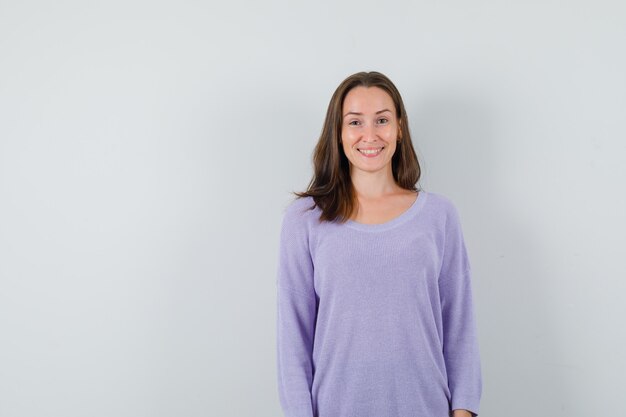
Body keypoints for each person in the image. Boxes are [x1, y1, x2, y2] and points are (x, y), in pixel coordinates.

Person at [275, 71, 482, 417]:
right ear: (338, 134)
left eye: (382, 120)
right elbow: (292, 336)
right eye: (355, 122)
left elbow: (459, 324)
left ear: (399, 128)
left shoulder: (439, 215)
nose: (369, 135)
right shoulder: (305, 220)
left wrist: (463, 412)